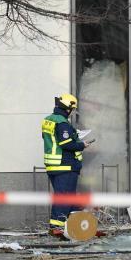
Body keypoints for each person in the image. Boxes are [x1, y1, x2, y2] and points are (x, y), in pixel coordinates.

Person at [41, 93, 91, 235]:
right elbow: (65, 143)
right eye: (72, 110)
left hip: (53, 166)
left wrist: (73, 134)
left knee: (66, 197)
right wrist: (82, 145)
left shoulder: (48, 120)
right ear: (68, 109)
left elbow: (54, 141)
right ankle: (57, 227)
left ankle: (76, 224)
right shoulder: (62, 122)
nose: (72, 112)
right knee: (64, 197)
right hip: (65, 166)